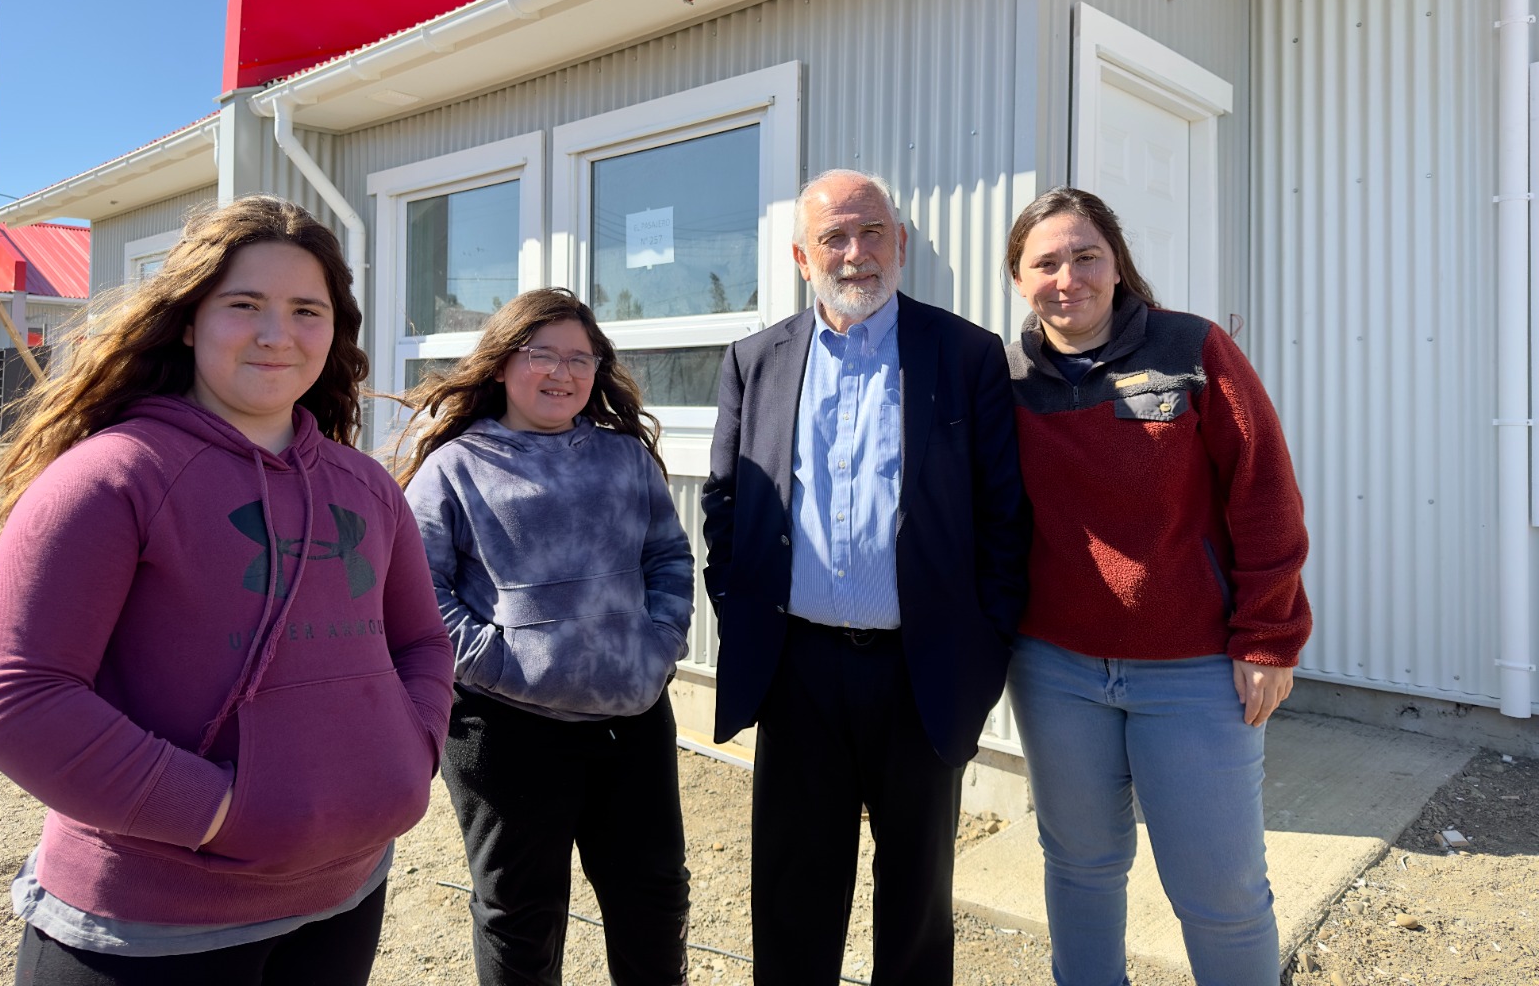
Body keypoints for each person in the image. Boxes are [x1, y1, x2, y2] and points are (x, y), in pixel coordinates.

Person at [0, 195, 454, 986]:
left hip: (344, 897)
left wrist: (409, 751)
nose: (276, 333)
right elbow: (15, 699)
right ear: (190, 319)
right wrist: (222, 812)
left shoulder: (367, 486)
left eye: (305, 310)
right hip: (148, 928)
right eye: (244, 305)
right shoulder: (111, 477)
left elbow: (422, 643)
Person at [701, 169, 1031, 985]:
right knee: (792, 894)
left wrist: (982, 648)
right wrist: (752, 630)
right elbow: (727, 505)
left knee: (917, 902)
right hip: (799, 673)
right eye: (833, 239)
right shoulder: (755, 360)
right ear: (801, 257)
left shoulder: (966, 354)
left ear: (902, 244)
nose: (855, 254)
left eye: (871, 232)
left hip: (920, 674)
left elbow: (1004, 519)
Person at [1002, 187, 1312, 986]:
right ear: (1017, 277)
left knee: (1221, 891)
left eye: (1086, 256)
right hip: (1055, 668)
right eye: (1046, 262)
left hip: (1195, 671)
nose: (1067, 276)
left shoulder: (1191, 349)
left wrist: (1270, 637)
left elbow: (1266, 490)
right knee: (1079, 866)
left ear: (1117, 264)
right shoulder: (1001, 379)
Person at [394, 287, 694, 986]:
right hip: (505, 730)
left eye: (579, 359)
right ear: (501, 364)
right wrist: (503, 662)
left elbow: (669, 558)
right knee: (520, 915)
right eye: (542, 356)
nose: (562, 373)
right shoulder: (455, 468)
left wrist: (658, 647)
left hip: (632, 719)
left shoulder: (624, 459)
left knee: (652, 899)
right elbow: (416, 594)